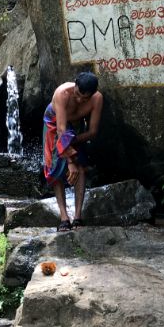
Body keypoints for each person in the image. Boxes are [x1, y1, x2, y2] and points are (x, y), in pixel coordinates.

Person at [43, 72, 104, 231]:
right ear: (74, 84)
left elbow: (92, 132)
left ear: (92, 94)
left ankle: (78, 217)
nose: (79, 99)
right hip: (55, 125)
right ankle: (64, 218)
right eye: (77, 94)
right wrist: (70, 161)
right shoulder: (62, 93)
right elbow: (61, 131)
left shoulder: (97, 98)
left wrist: (74, 149)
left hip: (77, 132)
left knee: (81, 167)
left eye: (84, 98)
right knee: (56, 170)